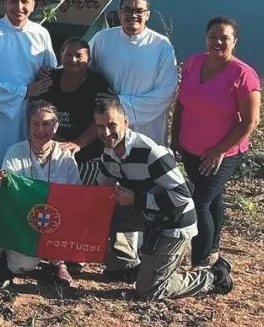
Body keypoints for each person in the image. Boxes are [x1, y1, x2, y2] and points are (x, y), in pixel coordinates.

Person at [94, 97, 234, 300]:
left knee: (148, 291)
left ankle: (213, 276)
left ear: (126, 122)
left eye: (111, 125)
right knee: (101, 213)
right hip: (146, 215)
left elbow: (182, 196)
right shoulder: (108, 153)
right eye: (100, 127)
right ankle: (125, 265)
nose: (105, 133)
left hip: (173, 222)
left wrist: (137, 199)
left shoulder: (152, 153)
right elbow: (100, 190)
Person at [171, 16, 261, 268]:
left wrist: (218, 151)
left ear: (234, 41)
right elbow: (181, 102)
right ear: (206, 38)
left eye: (224, 38)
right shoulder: (193, 63)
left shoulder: (243, 75)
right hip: (190, 148)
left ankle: (200, 263)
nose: (217, 42)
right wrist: (175, 135)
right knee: (213, 199)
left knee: (199, 203)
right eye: (213, 37)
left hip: (223, 154)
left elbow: (250, 122)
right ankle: (213, 249)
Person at [0, 101, 80, 286]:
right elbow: (8, 197)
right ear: (28, 126)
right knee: (25, 262)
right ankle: (10, 260)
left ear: (55, 126)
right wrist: (3, 182)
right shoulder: (15, 152)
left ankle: (58, 264)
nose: (40, 129)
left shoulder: (66, 156)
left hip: (56, 221)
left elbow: (75, 196)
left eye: (46, 124)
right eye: (34, 124)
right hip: (25, 222)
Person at [0, 0, 56, 166]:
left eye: (25, 1)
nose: (19, 7)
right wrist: (25, 91)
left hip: (31, 113)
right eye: (13, 1)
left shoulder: (41, 33)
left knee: (30, 165)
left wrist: (46, 75)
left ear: (34, 4)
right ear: (5, 2)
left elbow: (51, 71)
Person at [89, 0, 178, 145]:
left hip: (146, 128)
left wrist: (121, 103)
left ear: (147, 15)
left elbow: (166, 91)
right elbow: (80, 68)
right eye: (128, 10)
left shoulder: (161, 46)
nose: (133, 15)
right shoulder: (102, 38)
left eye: (139, 11)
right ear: (119, 13)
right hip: (107, 127)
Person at [37, 37, 111, 184]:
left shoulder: (97, 83)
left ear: (89, 60)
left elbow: (102, 119)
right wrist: (52, 137)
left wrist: (78, 143)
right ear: (61, 56)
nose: (73, 60)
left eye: (79, 56)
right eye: (68, 55)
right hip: (52, 150)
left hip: (86, 156)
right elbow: (38, 111)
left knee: (74, 198)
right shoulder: (50, 78)